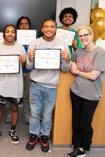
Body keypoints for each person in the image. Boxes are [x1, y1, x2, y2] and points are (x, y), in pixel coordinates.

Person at [25, 19, 71, 153]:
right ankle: (34, 135)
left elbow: (65, 69)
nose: (49, 29)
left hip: (52, 86)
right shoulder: (35, 43)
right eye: (46, 27)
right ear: (42, 29)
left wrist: (67, 60)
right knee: (34, 113)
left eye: (52, 27)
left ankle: (44, 136)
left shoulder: (62, 44)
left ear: (56, 29)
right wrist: (30, 58)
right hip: (36, 85)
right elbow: (28, 67)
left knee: (46, 114)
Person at [67, 26, 105, 157]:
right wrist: (73, 65)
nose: (83, 38)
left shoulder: (100, 52)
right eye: (81, 36)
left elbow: (93, 76)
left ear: (92, 35)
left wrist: (78, 71)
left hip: (91, 94)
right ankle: (78, 147)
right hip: (76, 91)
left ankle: (84, 147)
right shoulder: (79, 52)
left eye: (86, 35)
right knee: (76, 120)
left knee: (85, 123)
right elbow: (71, 62)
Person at [0, 25, 26, 144]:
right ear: (4, 34)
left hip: (15, 83)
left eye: (12, 32)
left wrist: (24, 61)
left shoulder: (20, 47)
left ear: (15, 34)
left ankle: (13, 130)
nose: (10, 34)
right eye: (7, 32)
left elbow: (25, 66)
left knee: (14, 108)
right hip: (1, 82)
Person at [15, 16, 32, 124]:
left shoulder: (34, 40)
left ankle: (27, 114)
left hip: (30, 71)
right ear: (18, 26)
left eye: (26, 23)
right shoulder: (14, 39)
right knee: (14, 93)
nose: (24, 26)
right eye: (21, 24)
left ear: (29, 26)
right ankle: (11, 113)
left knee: (27, 94)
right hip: (17, 71)